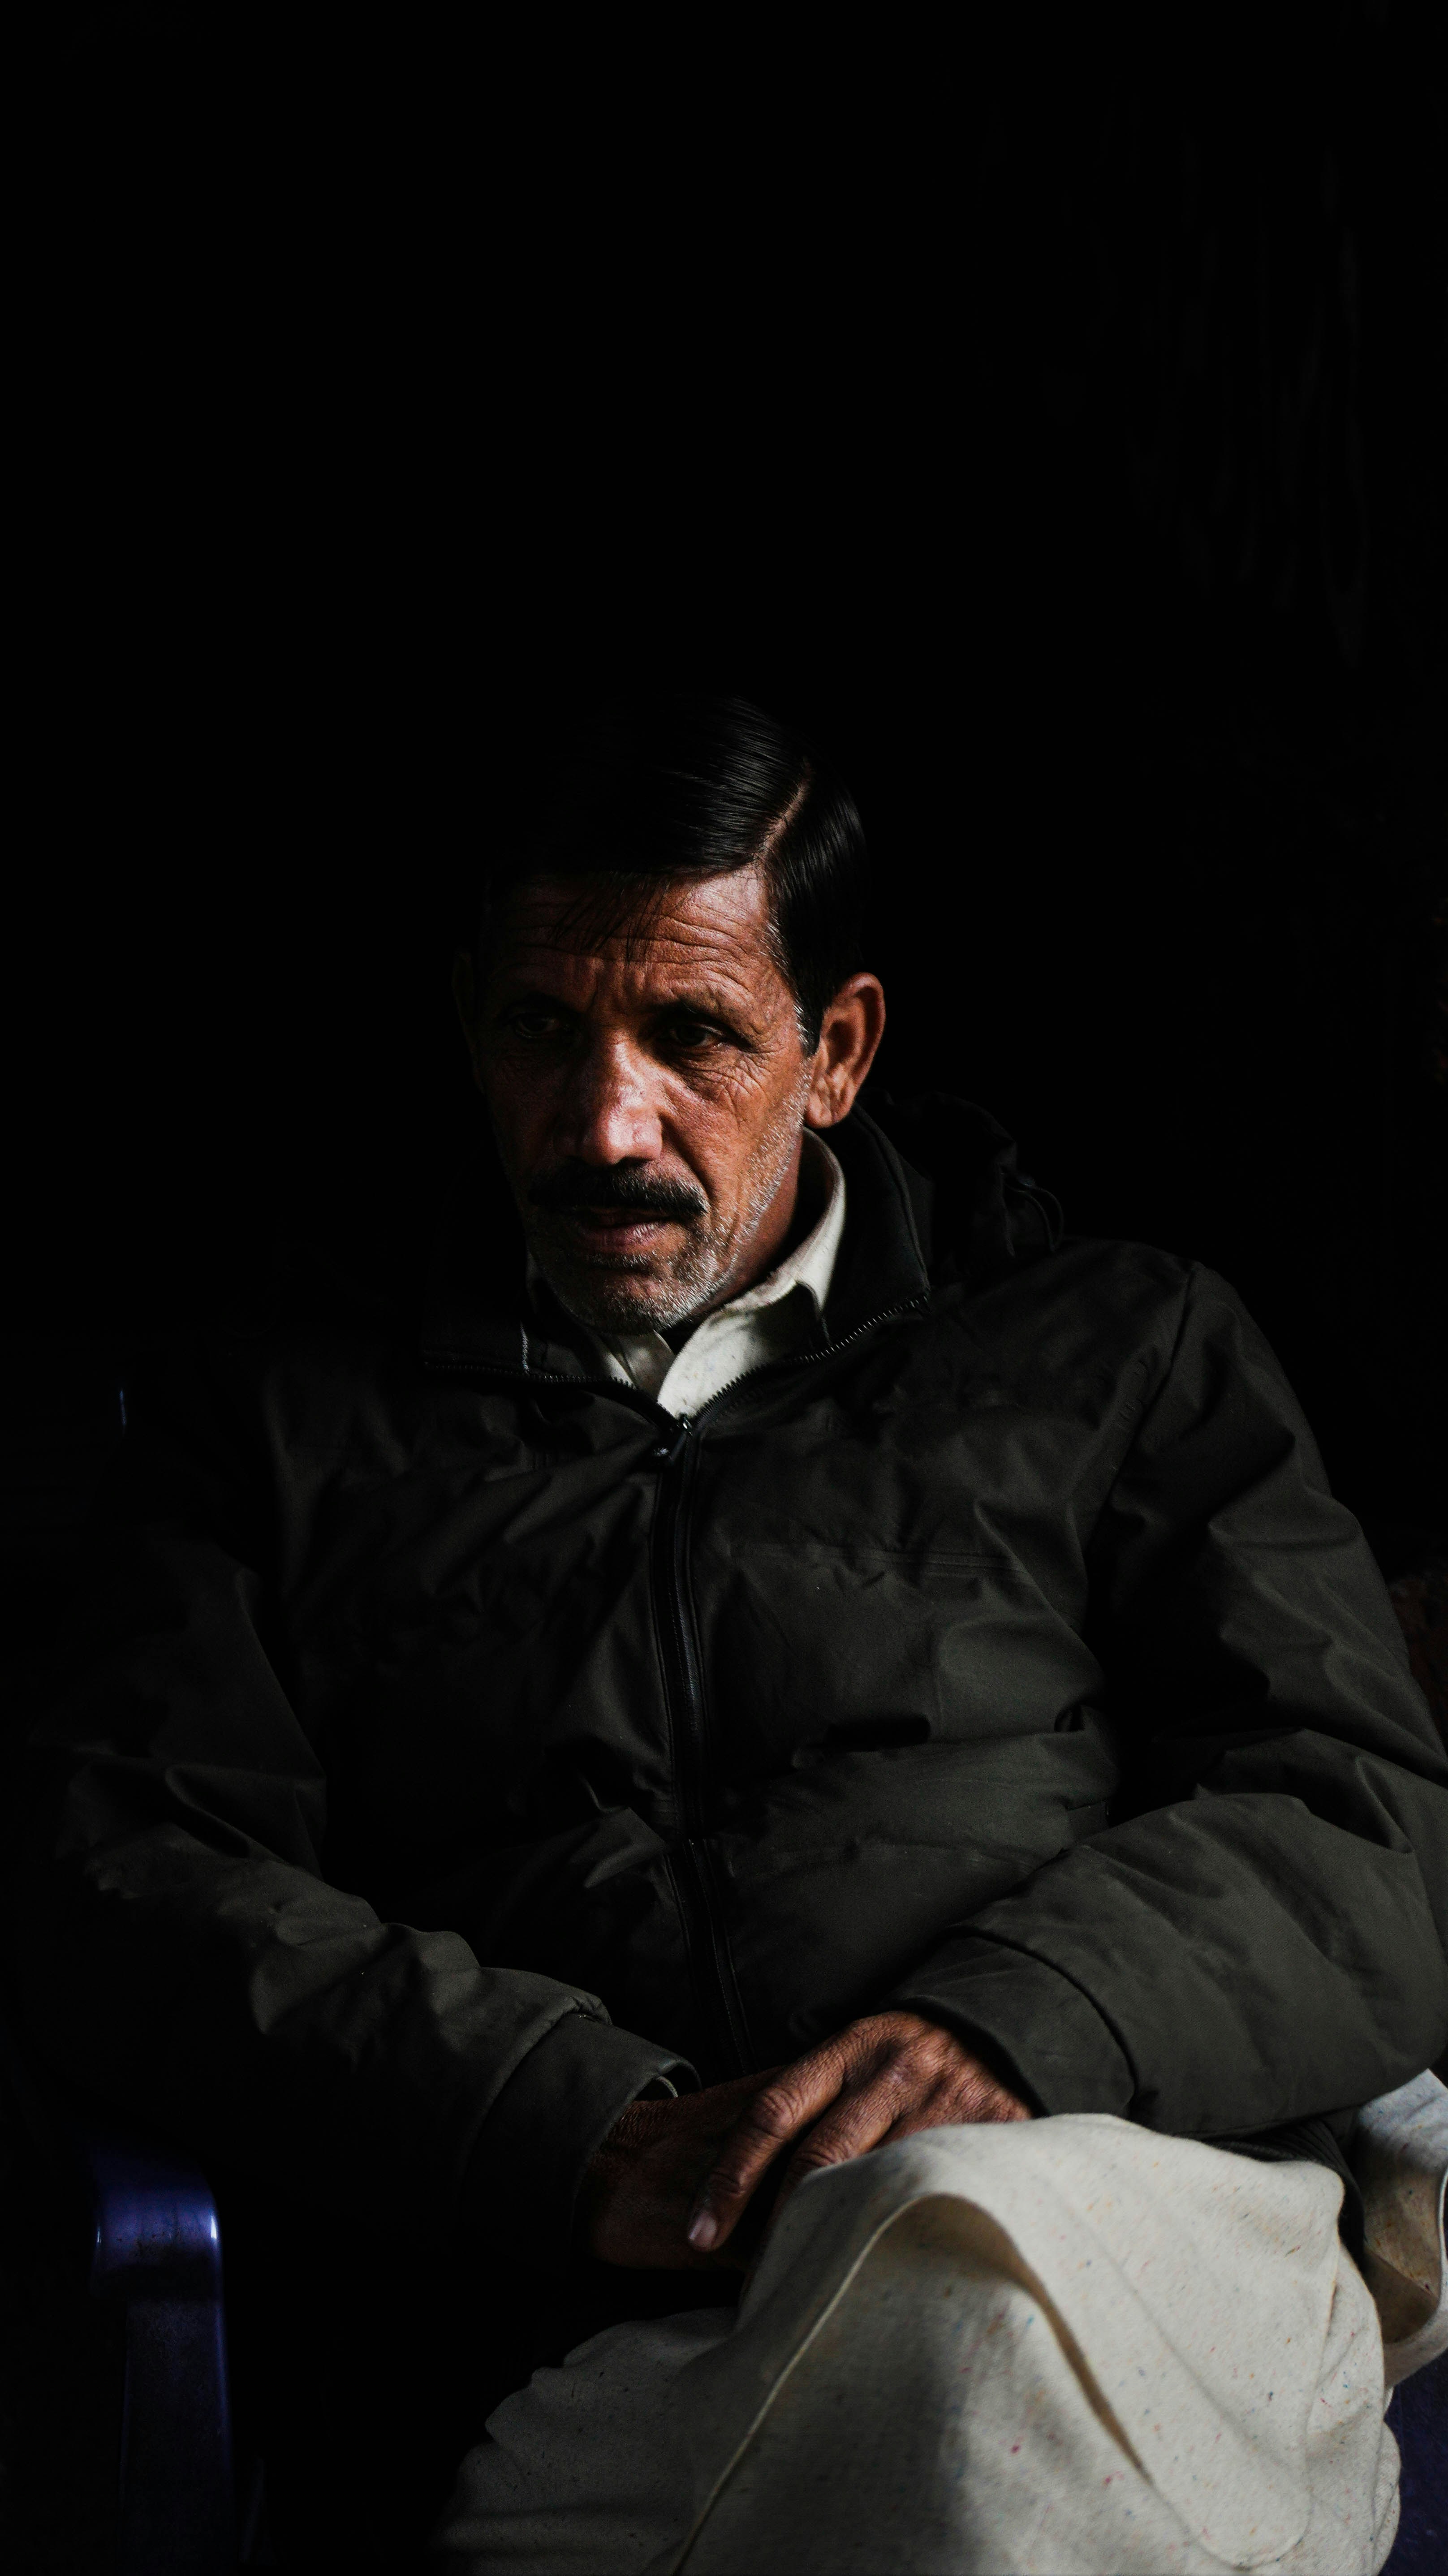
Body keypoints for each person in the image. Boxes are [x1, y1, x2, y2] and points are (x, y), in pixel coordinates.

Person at [10, 695, 1448, 2573]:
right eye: (543, 1028)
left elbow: (1359, 1813)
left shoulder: (1119, 1353)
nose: (605, 1121)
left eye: (690, 1035)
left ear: (835, 1048)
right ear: (470, 1026)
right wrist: (571, 2125)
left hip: (1128, 2228)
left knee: (958, 2278)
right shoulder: (278, 1417)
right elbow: (132, 1869)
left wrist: (1012, 2026)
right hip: (580, 2344)